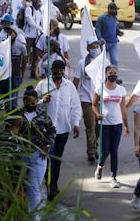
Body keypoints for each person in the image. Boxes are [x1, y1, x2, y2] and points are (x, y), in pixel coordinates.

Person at [35, 59, 82, 201]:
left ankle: (53, 184)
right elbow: (31, 103)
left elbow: (75, 106)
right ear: (51, 71)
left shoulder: (69, 87)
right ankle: (47, 185)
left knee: (57, 159)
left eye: (62, 71)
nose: (59, 73)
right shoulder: (43, 85)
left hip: (63, 129)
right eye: (57, 71)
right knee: (47, 159)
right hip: (47, 130)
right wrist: (42, 101)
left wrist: (76, 124)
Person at [19, 86, 56, 213]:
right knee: (24, 187)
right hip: (22, 155)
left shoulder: (42, 115)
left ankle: (35, 216)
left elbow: (52, 131)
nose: (31, 104)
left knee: (34, 187)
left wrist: (47, 145)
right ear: (24, 101)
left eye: (33, 102)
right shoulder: (17, 115)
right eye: (28, 102)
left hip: (38, 155)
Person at [92, 65, 130, 188]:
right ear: (106, 75)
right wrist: (97, 115)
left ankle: (113, 177)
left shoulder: (121, 90)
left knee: (114, 151)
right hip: (105, 125)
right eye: (110, 72)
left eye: (115, 72)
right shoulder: (100, 89)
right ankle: (100, 166)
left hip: (117, 124)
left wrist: (126, 125)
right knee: (105, 151)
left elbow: (123, 108)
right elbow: (93, 105)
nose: (113, 74)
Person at [73, 36, 102, 163]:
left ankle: (94, 146)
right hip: (87, 100)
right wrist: (72, 96)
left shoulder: (102, 62)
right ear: (87, 48)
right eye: (92, 47)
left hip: (100, 100)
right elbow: (76, 80)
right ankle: (91, 151)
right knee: (90, 126)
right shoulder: (82, 63)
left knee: (98, 127)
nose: (95, 49)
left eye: (97, 46)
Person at [0, 25, 27, 111]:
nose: (9, 35)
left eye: (11, 33)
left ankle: (13, 116)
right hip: (5, 76)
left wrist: (22, 74)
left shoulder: (21, 47)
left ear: (16, 34)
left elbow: (25, 61)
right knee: (6, 97)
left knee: (14, 98)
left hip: (16, 75)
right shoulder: (3, 45)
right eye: (7, 33)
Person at [95, 1, 123, 67]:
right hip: (104, 43)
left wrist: (119, 32)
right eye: (114, 10)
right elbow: (97, 29)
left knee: (115, 60)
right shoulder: (102, 18)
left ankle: (114, 75)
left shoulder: (114, 18)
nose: (116, 11)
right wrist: (100, 38)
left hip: (114, 43)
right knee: (101, 60)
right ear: (109, 9)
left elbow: (115, 28)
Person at [23, 0, 43, 78]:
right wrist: (39, 28)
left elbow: (41, 21)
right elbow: (29, 20)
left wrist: (42, 29)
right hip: (28, 35)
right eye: (38, 2)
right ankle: (22, 72)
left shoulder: (39, 11)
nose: (39, 4)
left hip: (36, 36)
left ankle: (33, 72)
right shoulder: (29, 9)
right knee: (25, 54)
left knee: (36, 55)